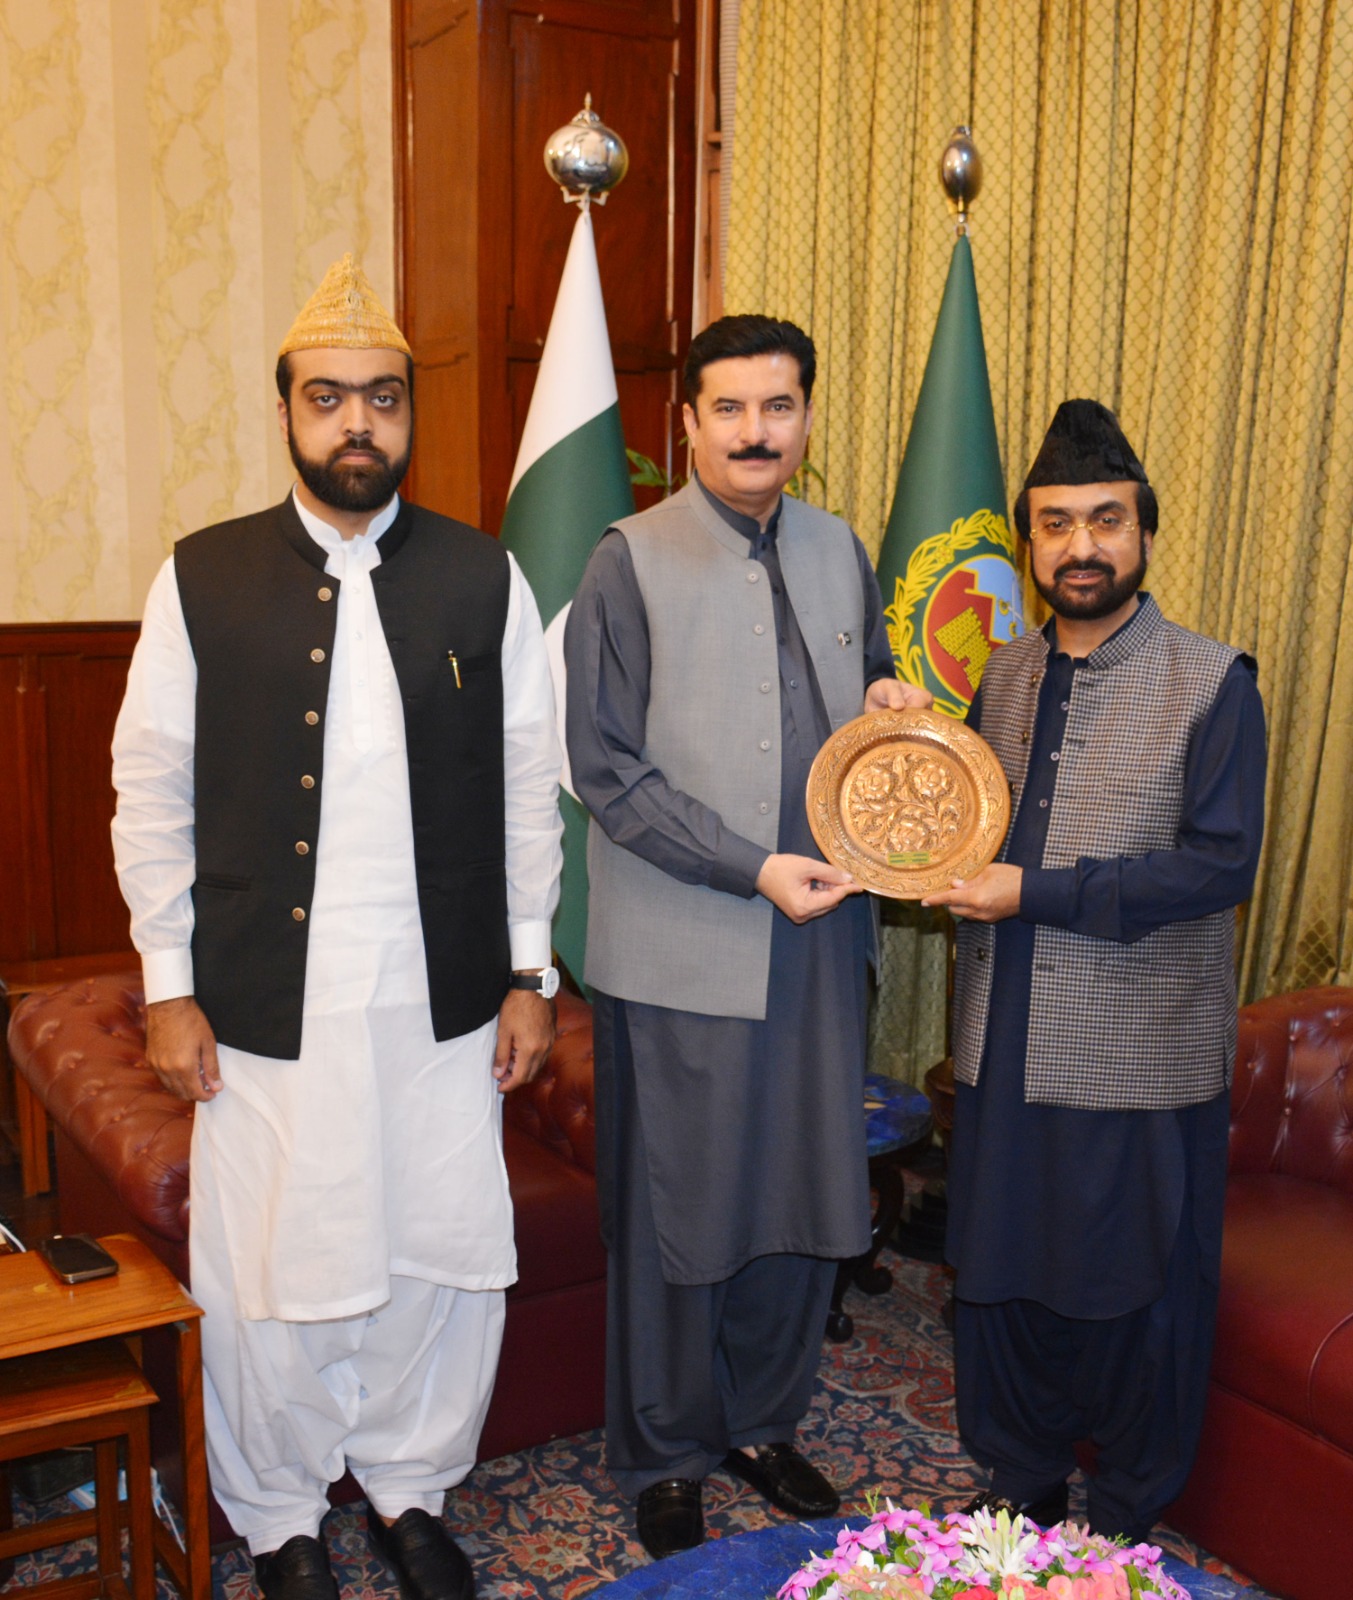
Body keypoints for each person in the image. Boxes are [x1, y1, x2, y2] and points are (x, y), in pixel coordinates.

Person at [111, 256, 563, 1600]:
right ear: (287, 412)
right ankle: (280, 1513)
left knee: (438, 1247)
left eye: (380, 399)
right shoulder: (200, 578)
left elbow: (528, 790)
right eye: (328, 399)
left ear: (409, 415)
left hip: (445, 996)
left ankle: (414, 1486)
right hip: (263, 997)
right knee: (271, 1264)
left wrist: (532, 973)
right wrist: (165, 982)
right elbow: (150, 791)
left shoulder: (486, 579)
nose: (355, 423)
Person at [564, 314, 931, 1560]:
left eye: (779, 407)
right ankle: (665, 1450)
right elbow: (604, 770)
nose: (755, 431)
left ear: (807, 420)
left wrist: (887, 692)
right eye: (729, 409)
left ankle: (765, 1421)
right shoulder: (627, 558)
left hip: (822, 942)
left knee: (802, 1191)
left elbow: (863, 681)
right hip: (683, 943)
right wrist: (747, 867)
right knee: (681, 1210)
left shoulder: (839, 546)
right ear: (688, 423)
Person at [923, 400, 1267, 1541]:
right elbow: (965, 822)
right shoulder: (1006, 676)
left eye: (1105, 521)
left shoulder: (1213, 682)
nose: (1081, 546)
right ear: (1028, 542)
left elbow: (1216, 868)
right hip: (1001, 1043)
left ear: (1146, 535)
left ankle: (1123, 1513)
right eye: (1056, 523)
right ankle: (1017, 1482)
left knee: (1135, 1301)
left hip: (1139, 1060)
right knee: (1000, 1280)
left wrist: (1043, 892)